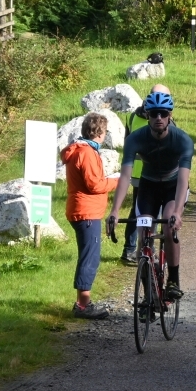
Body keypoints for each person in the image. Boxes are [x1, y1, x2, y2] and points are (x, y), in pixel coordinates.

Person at [108, 91, 194, 301]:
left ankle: (173, 279)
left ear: (169, 115)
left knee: (168, 226)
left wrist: (177, 213)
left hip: (173, 187)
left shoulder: (182, 140)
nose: (158, 118)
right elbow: (125, 176)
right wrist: (115, 211)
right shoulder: (135, 139)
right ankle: (149, 297)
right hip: (148, 187)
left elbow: (183, 180)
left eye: (163, 114)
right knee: (143, 238)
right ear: (147, 114)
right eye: (154, 113)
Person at [62, 112, 120, 320]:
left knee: (88, 255)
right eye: (105, 131)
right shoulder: (86, 153)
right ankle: (83, 305)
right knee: (90, 257)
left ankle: (83, 302)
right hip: (86, 212)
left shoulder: (81, 150)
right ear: (99, 132)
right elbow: (94, 184)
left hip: (83, 209)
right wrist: (117, 182)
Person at [121, 83, 172, 264]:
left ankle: (131, 249)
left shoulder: (133, 115)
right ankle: (147, 249)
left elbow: (126, 142)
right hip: (152, 173)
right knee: (152, 212)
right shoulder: (164, 118)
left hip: (135, 172)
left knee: (137, 211)